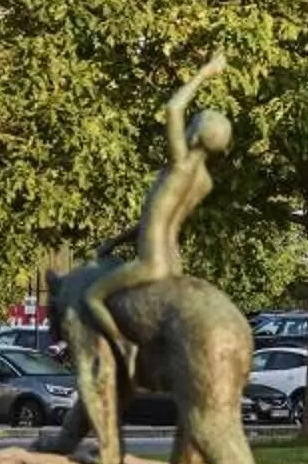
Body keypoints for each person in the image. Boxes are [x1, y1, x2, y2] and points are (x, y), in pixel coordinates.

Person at [75, 55, 232, 378]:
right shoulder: (204, 182)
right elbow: (158, 218)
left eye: (193, 124)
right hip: (174, 262)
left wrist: (205, 72)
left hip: (151, 262)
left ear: (196, 135)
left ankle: (124, 349)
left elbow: (173, 108)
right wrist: (116, 241)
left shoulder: (180, 165)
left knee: (92, 296)